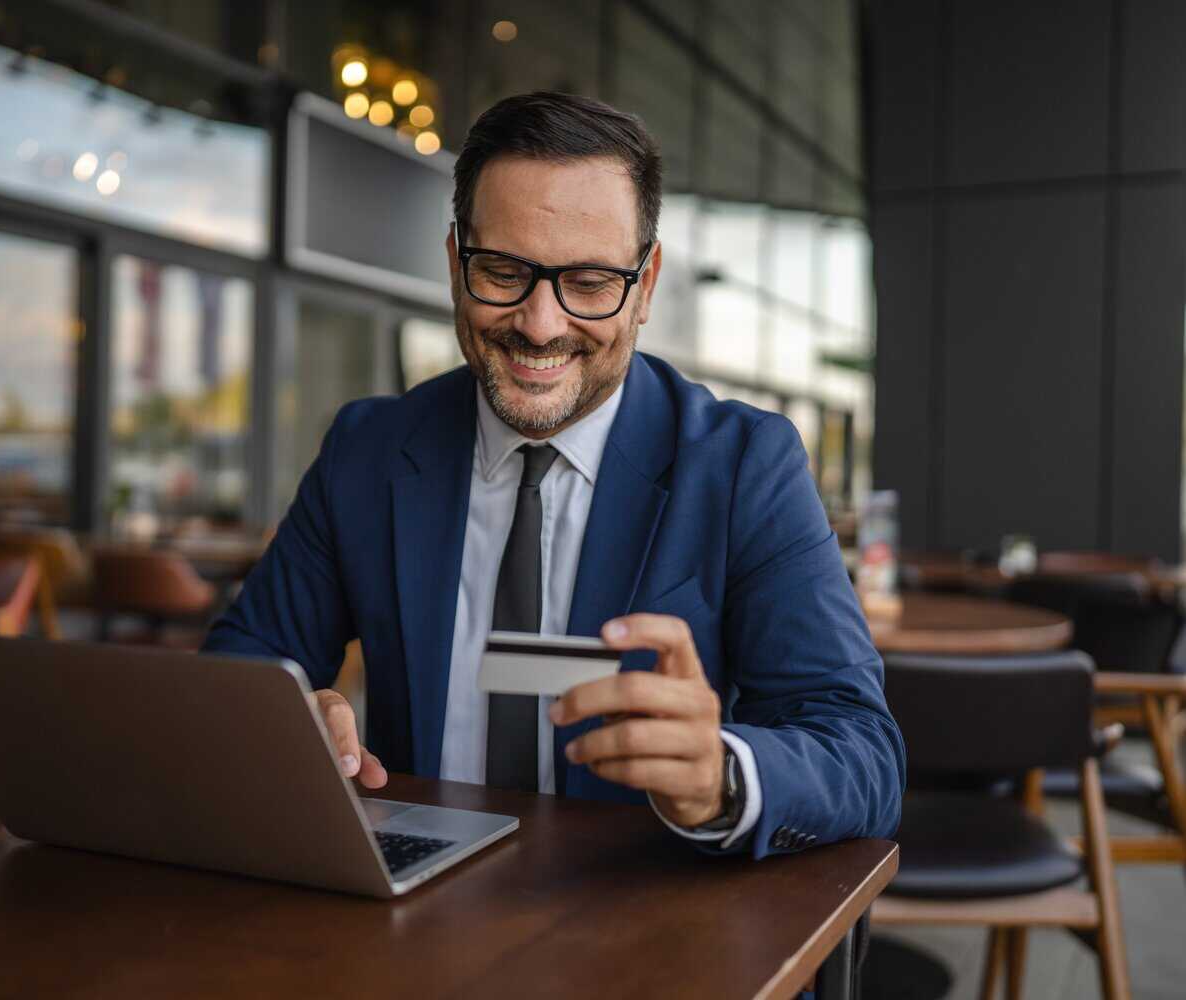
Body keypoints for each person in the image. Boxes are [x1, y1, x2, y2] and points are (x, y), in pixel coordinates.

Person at [204, 92, 904, 856]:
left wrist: (721, 778)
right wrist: (290, 718)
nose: (540, 324)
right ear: (452, 262)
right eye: (502, 271)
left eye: (591, 283)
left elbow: (861, 751)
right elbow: (239, 672)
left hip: (650, 925)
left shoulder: (744, 465)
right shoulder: (367, 450)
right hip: (411, 923)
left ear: (646, 285)